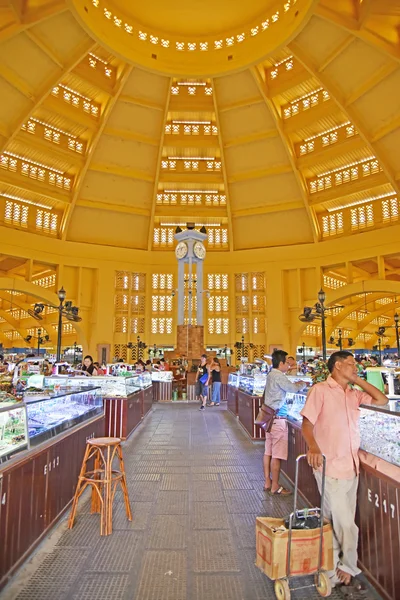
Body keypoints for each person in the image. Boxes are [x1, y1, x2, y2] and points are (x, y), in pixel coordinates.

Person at [301, 350, 387, 593]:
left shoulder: (353, 394)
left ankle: (329, 571)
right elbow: (307, 424)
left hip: (351, 467)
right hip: (329, 467)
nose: (354, 367)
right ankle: (348, 568)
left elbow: (382, 401)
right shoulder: (320, 390)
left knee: (333, 520)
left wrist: (358, 380)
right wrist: (314, 446)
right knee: (347, 524)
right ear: (337, 366)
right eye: (350, 364)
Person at [263, 350, 308, 495]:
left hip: (269, 418)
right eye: (287, 363)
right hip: (278, 420)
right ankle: (275, 486)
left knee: (268, 452)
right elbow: (293, 388)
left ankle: (268, 482)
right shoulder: (279, 376)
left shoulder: (271, 374)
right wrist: (303, 384)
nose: (288, 366)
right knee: (276, 455)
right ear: (281, 363)